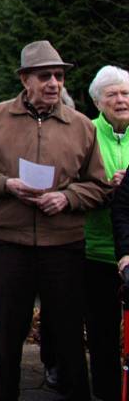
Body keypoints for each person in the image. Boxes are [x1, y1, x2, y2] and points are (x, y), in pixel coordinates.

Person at [0, 41, 109, 401]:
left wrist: (67, 197)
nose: (54, 83)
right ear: (25, 79)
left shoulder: (81, 126)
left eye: (58, 76)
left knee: (70, 339)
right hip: (9, 246)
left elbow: (100, 186)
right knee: (8, 339)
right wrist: (6, 184)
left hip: (64, 247)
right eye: (45, 76)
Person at [78, 66, 129, 401]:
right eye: (112, 94)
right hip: (96, 250)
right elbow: (72, 182)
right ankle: (107, 392)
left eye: (125, 93)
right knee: (102, 333)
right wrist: (107, 189)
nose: (121, 100)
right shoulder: (86, 132)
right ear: (98, 101)